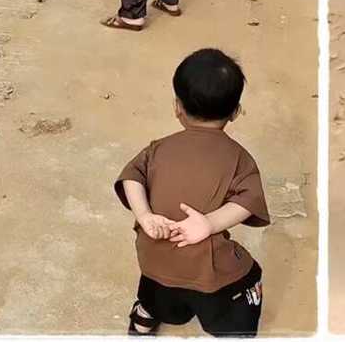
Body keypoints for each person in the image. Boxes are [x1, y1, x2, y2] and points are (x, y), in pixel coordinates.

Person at [115, 48, 270, 336]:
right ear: (235, 112)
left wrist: (146, 216)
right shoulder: (240, 158)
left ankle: (145, 314)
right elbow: (248, 201)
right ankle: (234, 328)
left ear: (178, 107)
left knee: (157, 285)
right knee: (247, 276)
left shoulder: (157, 149)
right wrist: (209, 223)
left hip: (154, 258)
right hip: (206, 271)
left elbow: (130, 177)